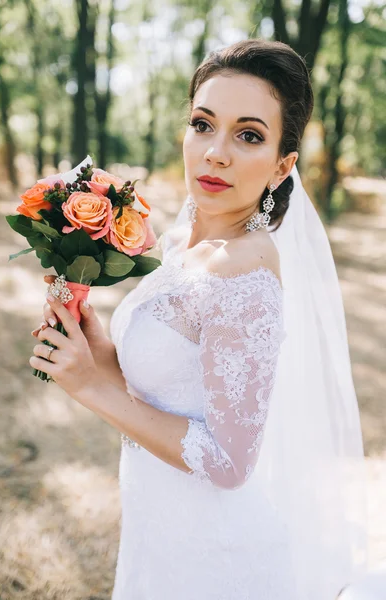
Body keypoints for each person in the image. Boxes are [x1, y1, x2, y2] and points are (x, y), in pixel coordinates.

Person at [32, 39, 368, 599]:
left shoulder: (246, 275)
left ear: (283, 166)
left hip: (213, 558)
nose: (215, 152)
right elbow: (173, 391)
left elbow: (230, 459)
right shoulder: (183, 241)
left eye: (249, 135)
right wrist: (98, 352)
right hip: (160, 528)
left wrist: (90, 386)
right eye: (203, 123)